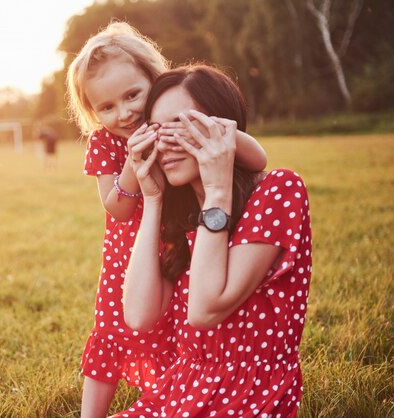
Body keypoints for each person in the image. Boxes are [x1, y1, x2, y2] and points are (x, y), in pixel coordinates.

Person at [66, 22, 269, 416]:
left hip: (181, 238)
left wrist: (210, 129)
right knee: (114, 327)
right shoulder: (105, 143)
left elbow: (258, 159)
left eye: (132, 95)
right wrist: (132, 166)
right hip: (130, 249)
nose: (123, 113)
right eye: (106, 107)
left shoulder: (177, 120)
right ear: (92, 111)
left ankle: (173, 395)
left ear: (154, 80)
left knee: (176, 328)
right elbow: (117, 206)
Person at [116, 64, 312, 417]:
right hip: (180, 389)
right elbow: (139, 315)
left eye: (184, 126)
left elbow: (205, 309)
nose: (167, 142)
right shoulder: (181, 216)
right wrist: (154, 201)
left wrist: (218, 188)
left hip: (249, 397)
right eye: (159, 130)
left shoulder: (278, 191)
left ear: (222, 132)